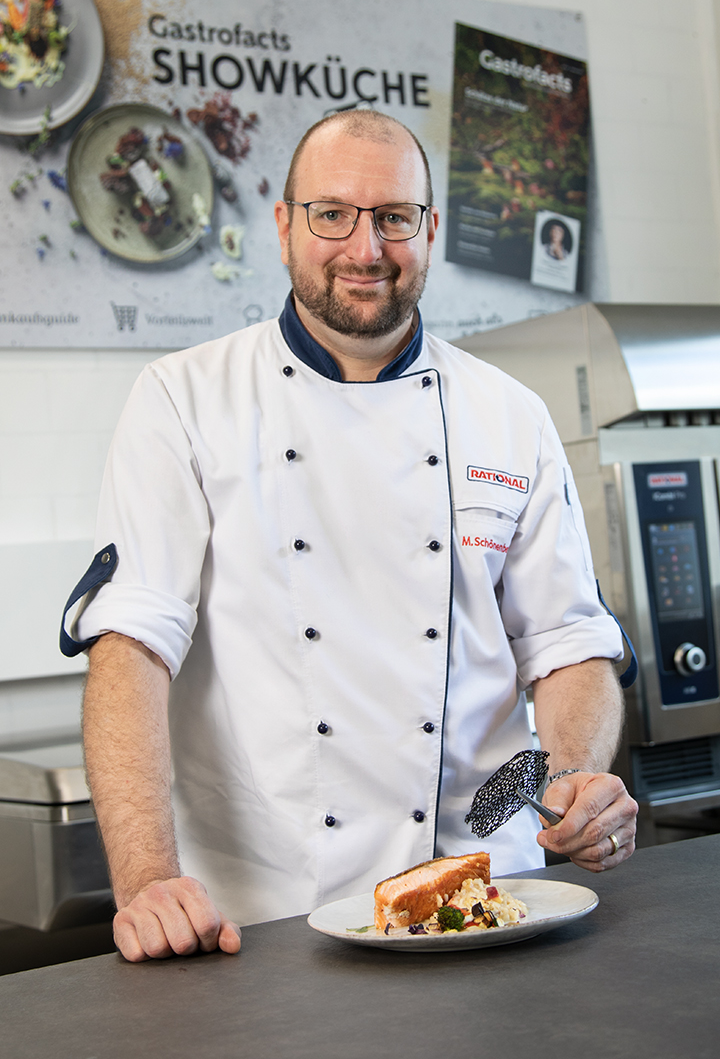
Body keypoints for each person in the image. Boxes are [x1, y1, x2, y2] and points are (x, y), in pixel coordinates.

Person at [61, 110, 638, 963]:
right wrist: (147, 880)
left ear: (430, 231)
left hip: (495, 897)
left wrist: (574, 778)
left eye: (394, 217)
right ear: (284, 226)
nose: (366, 249)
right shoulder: (185, 400)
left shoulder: (510, 415)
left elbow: (568, 646)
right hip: (269, 921)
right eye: (332, 214)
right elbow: (132, 646)